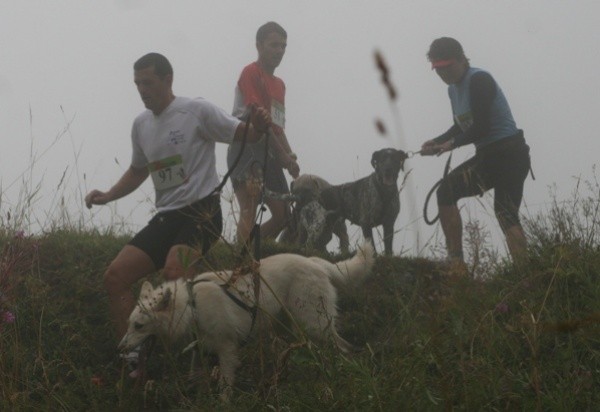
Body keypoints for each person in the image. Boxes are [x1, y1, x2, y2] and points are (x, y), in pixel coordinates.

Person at [84, 53, 270, 371]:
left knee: (175, 272)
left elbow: (243, 134)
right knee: (114, 277)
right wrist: (109, 195)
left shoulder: (196, 110)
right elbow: (138, 170)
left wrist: (258, 127)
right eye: (137, 84)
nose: (142, 90)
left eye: (148, 82)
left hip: (204, 214)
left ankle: (200, 354)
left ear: (168, 80)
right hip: (167, 218)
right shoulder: (141, 125)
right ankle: (133, 358)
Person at [420, 37, 531, 267]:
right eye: (437, 70)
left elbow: (481, 127)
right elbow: (461, 126)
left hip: (509, 153)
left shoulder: (479, 80)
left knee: (504, 212)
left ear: (461, 59)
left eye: (446, 67)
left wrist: (450, 145)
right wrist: (437, 141)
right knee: (449, 193)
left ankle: (524, 273)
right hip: (489, 156)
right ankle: (457, 263)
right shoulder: (453, 91)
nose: (443, 74)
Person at [227, 21, 300, 248]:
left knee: (284, 215)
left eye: (283, 46)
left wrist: (290, 157)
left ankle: (250, 250)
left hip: (270, 148)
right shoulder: (251, 72)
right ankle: (241, 259)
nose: (279, 51)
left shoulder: (280, 85)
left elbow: (277, 127)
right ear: (259, 46)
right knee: (249, 207)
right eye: (274, 45)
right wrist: (284, 155)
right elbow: (259, 117)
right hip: (246, 144)